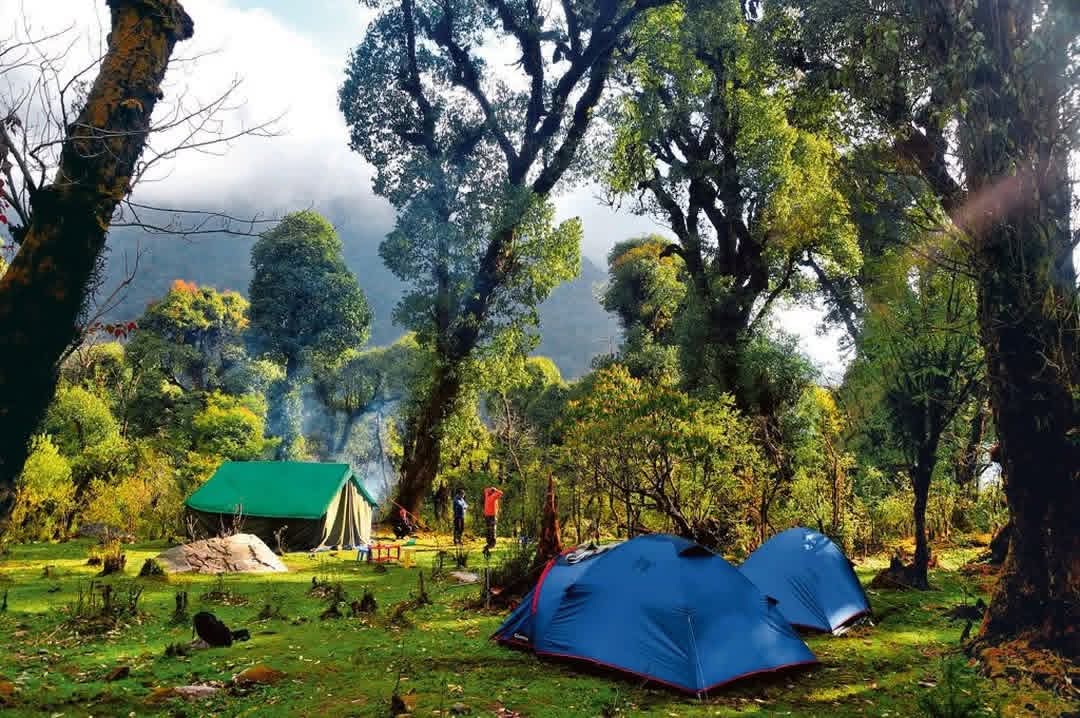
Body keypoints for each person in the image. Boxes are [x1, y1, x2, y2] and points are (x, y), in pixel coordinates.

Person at [483, 486, 503, 552]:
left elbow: (486, 490)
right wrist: (495, 490)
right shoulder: (493, 496)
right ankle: (492, 543)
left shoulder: (487, 495)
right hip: (492, 515)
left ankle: (489, 542)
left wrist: (491, 489)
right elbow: (500, 493)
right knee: (492, 529)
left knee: (489, 529)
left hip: (487, 515)